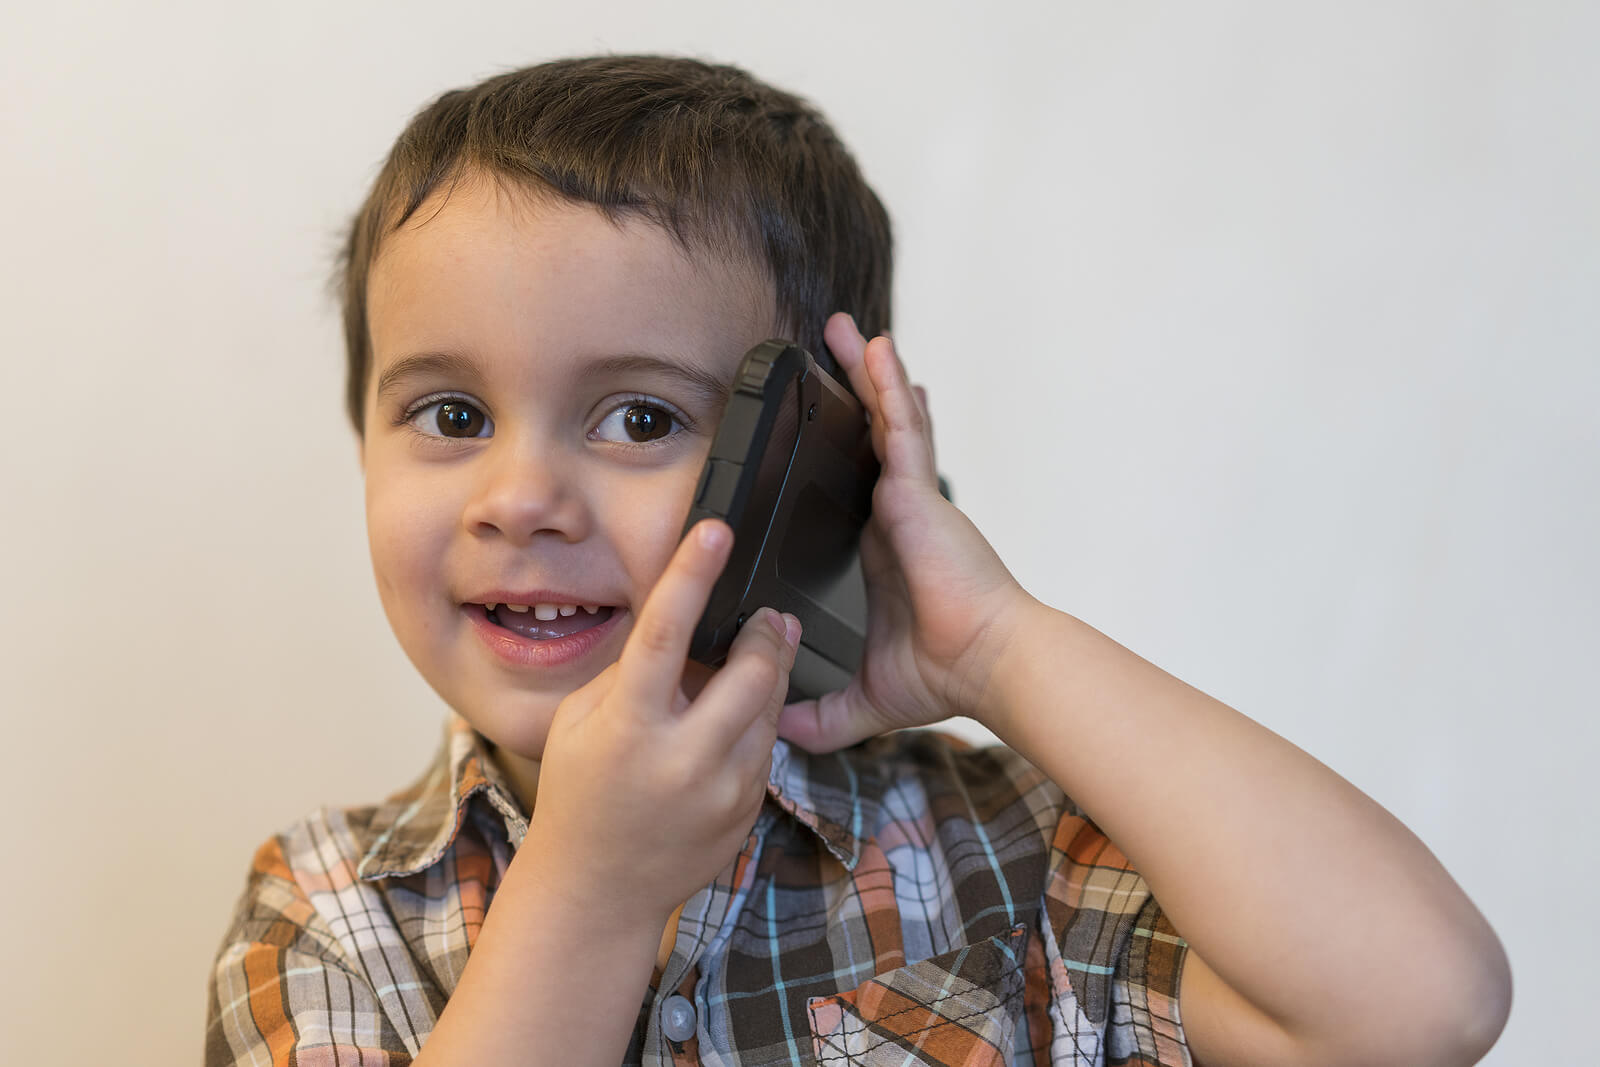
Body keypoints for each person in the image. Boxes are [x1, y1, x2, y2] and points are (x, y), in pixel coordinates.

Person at [205, 55, 1511, 1066]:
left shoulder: (1005, 861)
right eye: (452, 416)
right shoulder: (326, 910)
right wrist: (591, 895)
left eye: (642, 419)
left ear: (815, 470)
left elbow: (1419, 1003)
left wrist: (1000, 647)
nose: (520, 498)